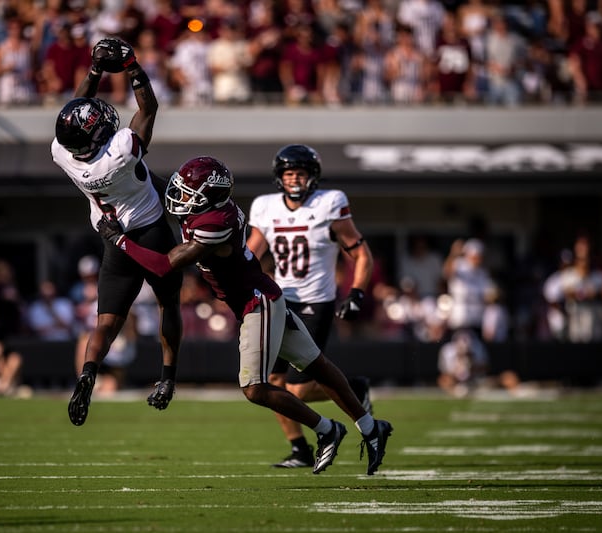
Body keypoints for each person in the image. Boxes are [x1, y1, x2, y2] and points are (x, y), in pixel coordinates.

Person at [97, 156, 393, 476]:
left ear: (206, 195)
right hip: (267, 296)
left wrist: (120, 241)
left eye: (185, 192)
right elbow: (162, 186)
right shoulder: (212, 208)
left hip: (257, 304)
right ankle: (370, 426)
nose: (177, 197)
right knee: (317, 366)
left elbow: (163, 265)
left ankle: (326, 429)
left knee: (255, 387)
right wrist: (131, 165)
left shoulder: (213, 225)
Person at [51, 37, 182, 427]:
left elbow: (74, 109)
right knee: (167, 305)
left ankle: (89, 372)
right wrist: (132, 67)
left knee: (106, 320)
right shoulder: (120, 151)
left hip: (113, 239)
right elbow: (149, 108)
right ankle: (167, 377)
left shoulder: (62, 152)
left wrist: (93, 71)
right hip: (150, 231)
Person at [246, 144, 374, 469]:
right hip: (279, 301)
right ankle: (299, 449)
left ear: (312, 176)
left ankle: (353, 389)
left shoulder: (330, 203)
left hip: (315, 301)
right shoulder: (265, 207)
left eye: (300, 173)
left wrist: (357, 291)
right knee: (269, 384)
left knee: (297, 388)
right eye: (289, 173)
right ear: (279, 177)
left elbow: (360, 253)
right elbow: (250, 255)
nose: (294, 179)